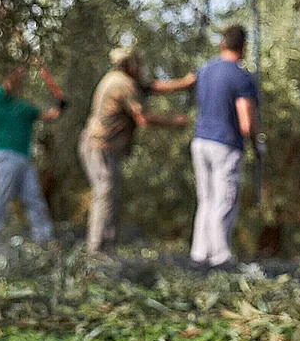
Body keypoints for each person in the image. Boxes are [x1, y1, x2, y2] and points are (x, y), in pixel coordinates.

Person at [80, 46, 196, 254]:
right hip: (100, 148)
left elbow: (152, 87)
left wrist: (183, 84)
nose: (142, 67)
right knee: (105, 194)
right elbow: (143, 118)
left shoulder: (121, 78)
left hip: (99, 147)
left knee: (108, 195)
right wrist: (174, 121)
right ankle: (97, 251)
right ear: (130, 65)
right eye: (139, 63)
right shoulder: (123, 85)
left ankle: (105, 249)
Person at [190, 25, 264, 269]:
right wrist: (257, 143)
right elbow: (246, 123)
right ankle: (220, 256)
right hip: (226, 144)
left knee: (206, 200)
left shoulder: (205, 70)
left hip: (200, 141)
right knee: (224, 200)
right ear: (243, 47)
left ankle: (200, 254)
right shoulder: (241, 77)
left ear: (222, 44)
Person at [0, 64, 65, 244]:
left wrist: (61, 107)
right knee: (3, 192)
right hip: (5, 154)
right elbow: (7, 84)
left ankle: (44, 236)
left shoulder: (26, 109)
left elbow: (49, 116)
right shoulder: (0, 100)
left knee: (33, 196)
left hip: (24, 157)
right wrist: (19, 69)